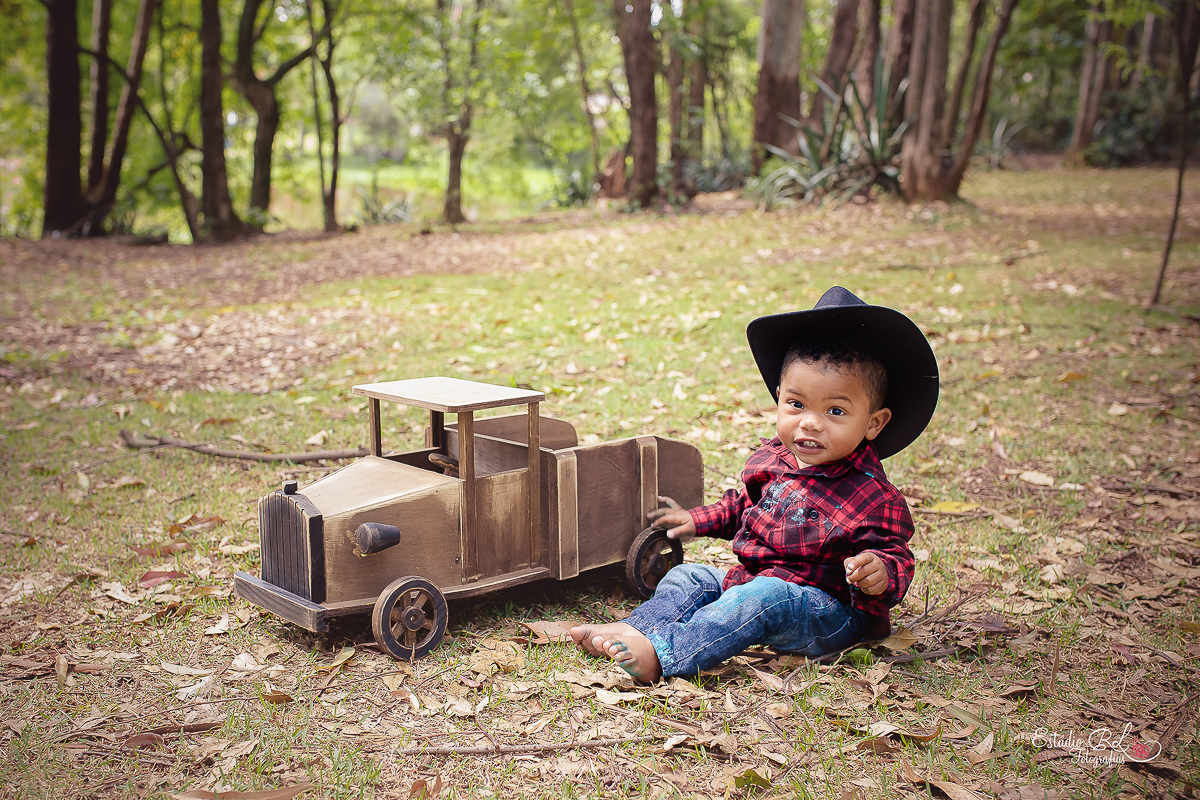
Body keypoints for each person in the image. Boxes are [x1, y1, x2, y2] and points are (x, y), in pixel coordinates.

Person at [570, 286, 940, 683]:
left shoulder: (872, 496)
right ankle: (639, 628)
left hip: (827, 611)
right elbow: (743, 506)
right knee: (689, 577)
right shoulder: (772, 459)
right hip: (756, 580)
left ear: (873, 423)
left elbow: (895, 556)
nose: (810, 422)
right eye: (797, 405)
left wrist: (880, 571)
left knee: (762, 597)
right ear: (779, 398)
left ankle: (664, 654)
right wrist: (696, 519)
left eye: (835, 410)